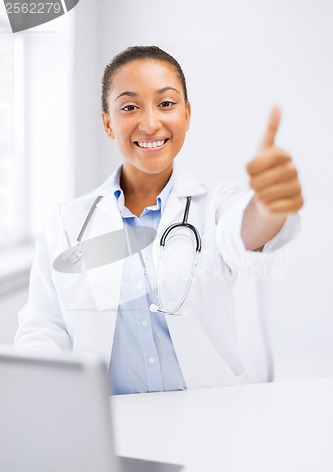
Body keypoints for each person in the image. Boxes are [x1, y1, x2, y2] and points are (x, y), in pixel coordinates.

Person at [15, 46, 303, 394]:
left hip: (211, 420)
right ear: (108, 122)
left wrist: (270, 204)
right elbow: (44, 327)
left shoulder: (212, 206)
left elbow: (245, 231)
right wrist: (42, 400)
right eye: (130, 107)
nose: (151, 123)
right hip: (108, 425)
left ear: (187, 114)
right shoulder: (67, 222)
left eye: (166, 104)